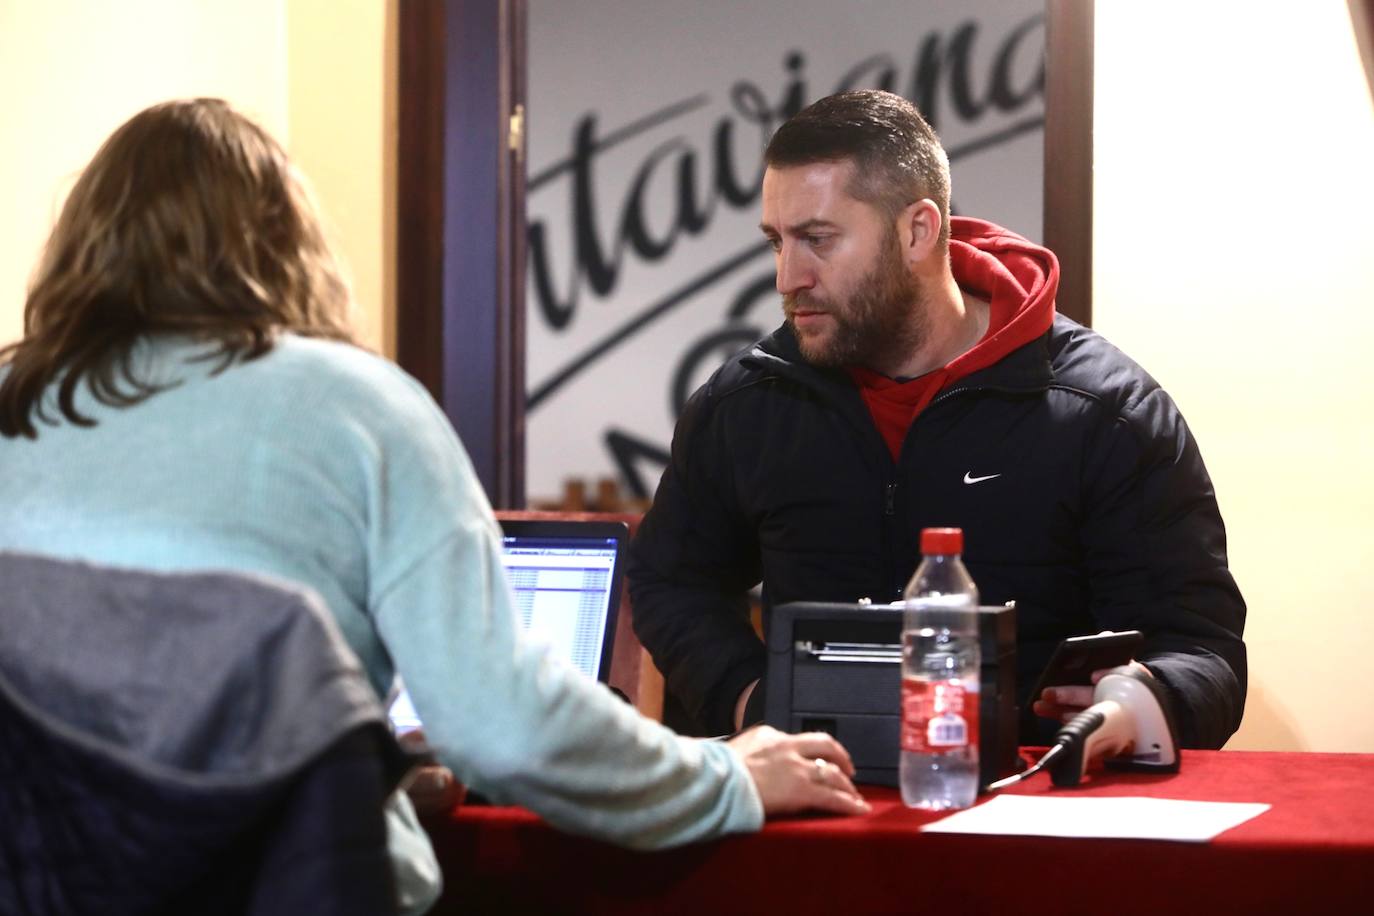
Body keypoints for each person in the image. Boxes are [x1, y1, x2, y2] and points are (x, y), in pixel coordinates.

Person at [0, 99, 870, 914]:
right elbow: (505, 730)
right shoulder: (357, 410)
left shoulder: (12, 398)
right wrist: (728, 778)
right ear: (282, 243)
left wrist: (351, 762)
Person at [628, 89, 1246, 751]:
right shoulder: (746, 405)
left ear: (917, 231)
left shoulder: (1106, 412)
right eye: (777, 242)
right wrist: (751, 697)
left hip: (1034, 818)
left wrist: (1140, 706)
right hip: (813, 818)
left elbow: (1201, 651)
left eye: (817, 239)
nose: (788, 276)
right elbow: (671, 580)